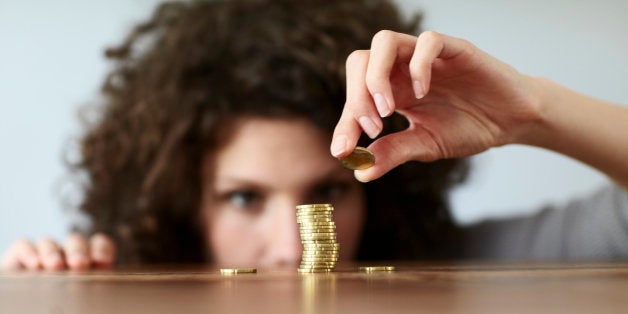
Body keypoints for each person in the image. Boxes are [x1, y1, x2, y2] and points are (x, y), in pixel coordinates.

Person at [3, 0, 628, 271]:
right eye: (244, 197)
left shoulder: (458, 270)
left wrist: (531, 111)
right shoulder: (126, 289)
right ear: (181, 202)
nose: (293, 245)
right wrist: (51, 287)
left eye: (328, 193)